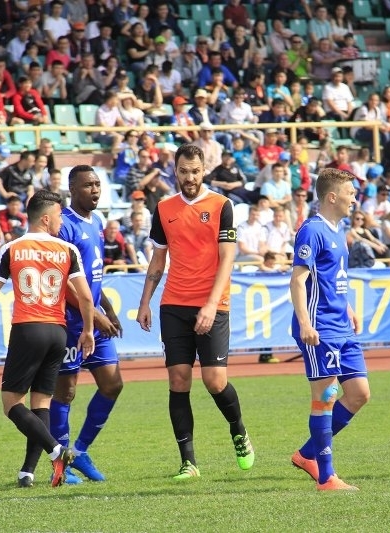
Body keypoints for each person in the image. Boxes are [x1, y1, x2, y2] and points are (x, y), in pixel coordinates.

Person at [136, 144, 255, 479]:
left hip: (213, 304)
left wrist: (211, 304)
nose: (189, 177)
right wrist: (145, 302)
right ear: (175, 171)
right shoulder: (164, 208)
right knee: (178, 379)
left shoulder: (222, 205)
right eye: (183, 171)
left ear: (204, 171)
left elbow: (228, 258)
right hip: (174, 304)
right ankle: (188, 462)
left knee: (215, 381)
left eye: (195, 171)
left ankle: (238, 429)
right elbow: (158, 259)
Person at [0, 190, 96, 488]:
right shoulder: (67, 249)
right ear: (45, 218)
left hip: (28, 329)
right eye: (58, 216)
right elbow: (86, 298)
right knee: (41, 402)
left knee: (11, 404)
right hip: (57, 332)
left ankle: (56, 451)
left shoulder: (12, 248)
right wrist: (88, 330)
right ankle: (27, 472)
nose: (61, 221)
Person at [289, 168, 368, 491]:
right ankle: (326, 476)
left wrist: (348, 308)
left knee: (359, 394)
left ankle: (307, 453)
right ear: (332, 197)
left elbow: (332, 278)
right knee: (325, 397)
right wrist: (305, 323)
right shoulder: (312, 230)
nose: (354, 199)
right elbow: (298, 280)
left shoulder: (339, 230)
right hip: (320, 327)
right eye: (350, 193)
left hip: (341, 325)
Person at [48, 165, 125, 484]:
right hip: (69, 322)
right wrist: (97, 314)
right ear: (72, 189)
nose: (94, 190)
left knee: (112, 384)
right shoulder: (63, 226)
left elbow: (92, 276)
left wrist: (108, 308)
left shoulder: (97, 223)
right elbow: (64, 283)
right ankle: (61, 465)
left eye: (97, 184)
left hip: (94, 319)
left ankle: (79, 451)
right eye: (87, 185)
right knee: (65, 392)